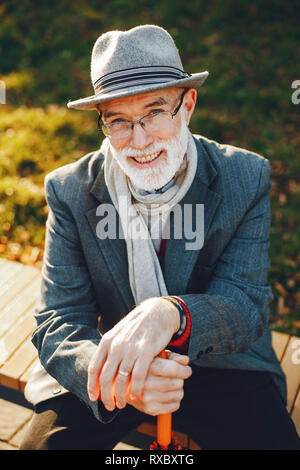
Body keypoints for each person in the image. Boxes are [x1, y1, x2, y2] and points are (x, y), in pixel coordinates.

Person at [20, 25, 300, 450]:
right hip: (110, 359)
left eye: (154, 112)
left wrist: (173, 313)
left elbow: (245, 305)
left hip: (219, 360)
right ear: (103, 123)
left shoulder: (245, 176)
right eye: (119, 121)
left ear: (187, 105)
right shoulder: (69, 190)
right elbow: (59, 320)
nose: (139, 140)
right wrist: (121, 377)